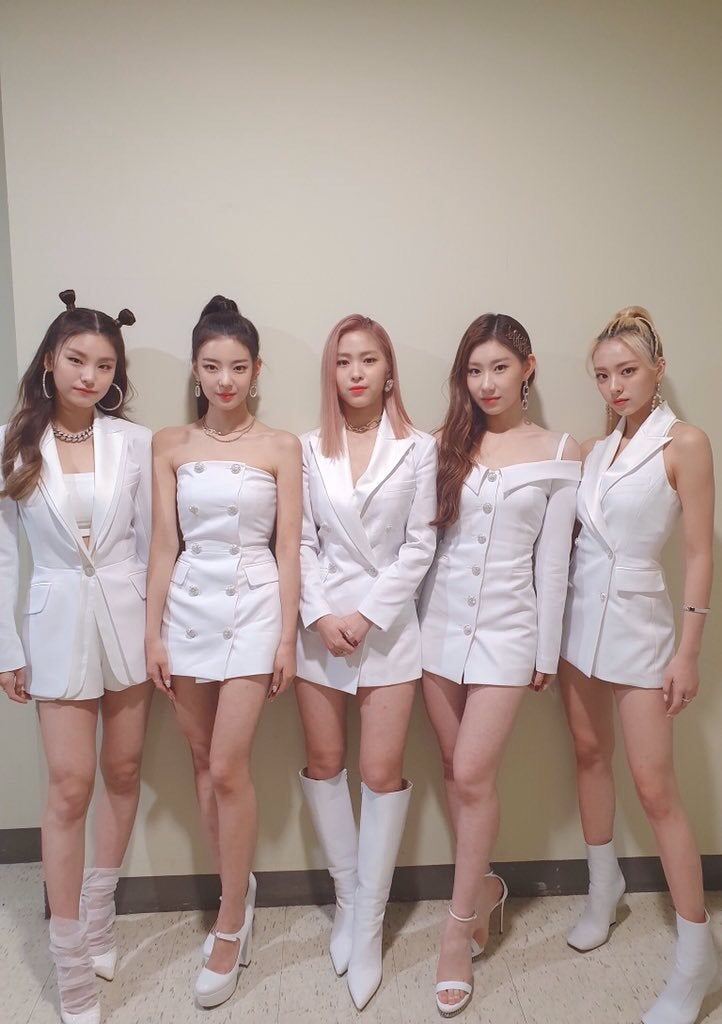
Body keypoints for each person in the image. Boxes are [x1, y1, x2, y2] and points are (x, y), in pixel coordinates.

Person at [419, 313, 580, 1018]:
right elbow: (426, 547)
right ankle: (483, 887)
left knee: (474, 773)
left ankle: (456, 933)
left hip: (510, 633)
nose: (486, 383)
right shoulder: (448, 442)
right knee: (453, 772)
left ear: (527, 368)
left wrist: (546, 651)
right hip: (436, 627)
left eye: (500, 368)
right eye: (474, 370)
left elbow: (555, 563)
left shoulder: (561, 451)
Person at [558, 306, 717, 1024]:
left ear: (658, 368)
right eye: (602, 376)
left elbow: (699, 552)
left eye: (627, 371)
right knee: (589, 755)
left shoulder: (684, 442)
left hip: (642, 627)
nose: (615, 386)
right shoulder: (597, 450)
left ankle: (697, 955)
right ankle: (604, 889)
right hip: (578, 626)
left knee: (656, 790)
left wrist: (688, 650)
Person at [0, 290, 153, 1024]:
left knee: (123, 772)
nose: (89, 375)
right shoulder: (14, 442)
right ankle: (71, 972)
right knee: (69, 787)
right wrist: (6, 646)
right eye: (76, 360)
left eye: (104, 365)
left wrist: (159, 634)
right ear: (50, 362)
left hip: (128, 621)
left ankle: (98, 921)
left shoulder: (136, 442)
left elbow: (154, 546)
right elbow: (3, 557)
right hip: (55, 624)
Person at [144, 295, 301, 1009]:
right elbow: (163, 545)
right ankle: (236, 886)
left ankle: (231, 923)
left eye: (238, 367)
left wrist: (287, 635)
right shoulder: (169, 444)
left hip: (254, 608)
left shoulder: (281, 447)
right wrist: (153, 632)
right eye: (212, 366)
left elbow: (289, 548)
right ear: (195, 369)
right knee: (200, 761)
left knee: (228, 764)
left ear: (256, 369)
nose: (225, 380)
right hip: (186, 608)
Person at [295, 313, 437, 1010]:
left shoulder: (419, 447)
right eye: (343, 360)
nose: (355, 372)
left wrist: (365, 615)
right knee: (325, 764)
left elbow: (420, 544)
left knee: (381, 774)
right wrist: (322, 615)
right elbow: (298, 542)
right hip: (319, 627)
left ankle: (371, 925)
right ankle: (349, 903)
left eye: (368, 359)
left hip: (386, 628)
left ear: (388, 370)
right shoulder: (306, 448)